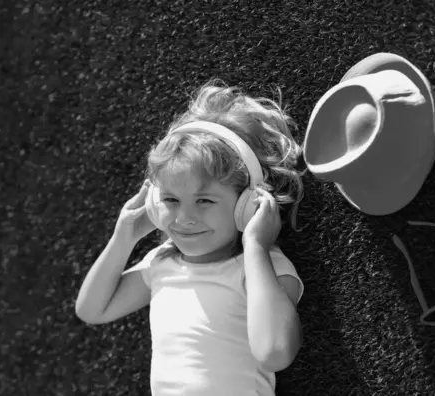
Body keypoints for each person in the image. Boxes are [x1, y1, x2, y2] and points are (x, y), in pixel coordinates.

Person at [75, 79, 305, 396]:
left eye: (205, 201)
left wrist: (256, 247)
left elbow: (275, 352)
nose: (184, 219)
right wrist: (123, 238)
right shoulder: (160, 264)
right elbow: (92, 310)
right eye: (170, 200)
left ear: (247, 205)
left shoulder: (260, 269)